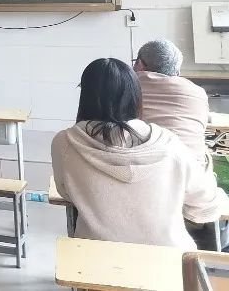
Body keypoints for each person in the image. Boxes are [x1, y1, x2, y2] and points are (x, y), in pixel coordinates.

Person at [51, 57, 227, 249]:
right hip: (168, 260)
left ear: (85, 96)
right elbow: (205, 208)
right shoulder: (169, 143)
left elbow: (65, 191)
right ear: (136, 96)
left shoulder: (64, 142)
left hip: (96, 258)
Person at [135, 38, 227, 249]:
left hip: (142, 189)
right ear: (176, 71)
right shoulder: (197, 93)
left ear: (140, 65)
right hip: (193, 196)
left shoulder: (130, 85)